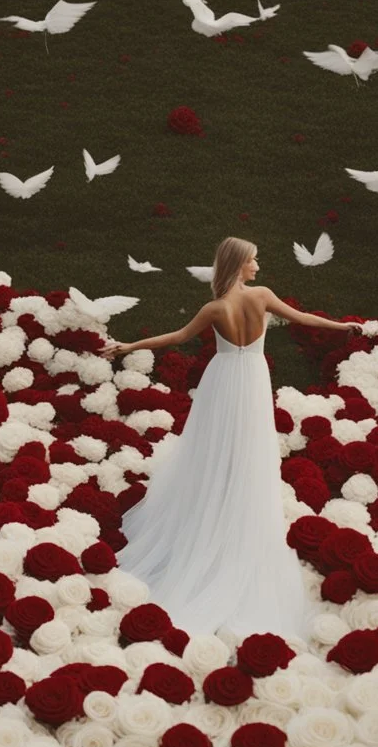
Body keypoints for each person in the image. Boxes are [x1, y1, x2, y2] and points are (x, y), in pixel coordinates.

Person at [100, 236, 363, 642]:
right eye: (253, 260)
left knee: (214, 448)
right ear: (238, 264)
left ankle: (216, 508)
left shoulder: (215, 308)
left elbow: (176, 338)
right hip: (252, 380)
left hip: (222, 382)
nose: (258, 265)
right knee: (249, 449)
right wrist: (342, 326)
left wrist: (129, 345)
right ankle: (236, 511)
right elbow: (304, 318)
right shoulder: (261, 297)